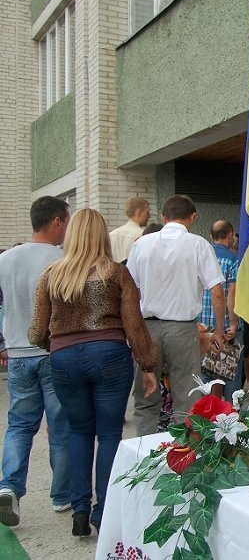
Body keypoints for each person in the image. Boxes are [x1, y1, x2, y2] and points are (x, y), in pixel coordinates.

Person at [28, 209, 158, 536]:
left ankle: (80, 510)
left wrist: (56, 346)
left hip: (64, 359)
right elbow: (134, 326)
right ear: (101, 235)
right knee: (110, 433)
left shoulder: (51, 275)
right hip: (109, 355)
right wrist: (148, 365)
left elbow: (36, 332)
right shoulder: (116, 273)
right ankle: (104, 511)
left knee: (78, 431)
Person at [127, 194, 225, 435]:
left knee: (146, 398)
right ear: (193, 217)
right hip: (182, 328)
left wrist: (132, 330)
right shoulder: (198, 244)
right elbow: (216, 292)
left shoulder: (141, 244)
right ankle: (182, 450)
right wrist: (218, 330)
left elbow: (130, 291)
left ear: (163, 217)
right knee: (187, 397)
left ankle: (144, 448)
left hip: (147, 327)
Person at [0, 197, 72, 528]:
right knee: (60, 426)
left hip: (17, 353)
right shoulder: (62, 260)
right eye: (66, 221)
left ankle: (9, 485)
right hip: (53, 352)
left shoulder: (6, 259)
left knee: (19, 424)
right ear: (56, 221)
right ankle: (62, 495)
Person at [196, 220, 241, 399]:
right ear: (230, 235)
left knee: (204, 380)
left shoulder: (199, 258)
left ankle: (204, 414)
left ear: (210, 236)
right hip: (225, 329)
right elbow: (232, 294)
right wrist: (233, 323)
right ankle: (229, 413)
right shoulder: (233, 259)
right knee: (229, 379)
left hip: (201, 327)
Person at [108, 197, 150, 263]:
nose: (149, 216)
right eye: (147, 212)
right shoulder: (143, 235)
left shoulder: (111, 235)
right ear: (138, 213)